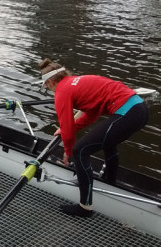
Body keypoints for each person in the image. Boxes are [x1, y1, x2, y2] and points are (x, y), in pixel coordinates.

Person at [38, 58, 149, 218]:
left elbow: (67, 127)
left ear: (49, 82)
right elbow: (91, 113)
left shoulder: (62, 90)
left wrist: (67, 151)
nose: (49, 90)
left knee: (80, 150)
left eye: (47, 87)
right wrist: (69, 129)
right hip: (140, 109)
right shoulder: (77, 81)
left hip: (128, 113)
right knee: (108, 141)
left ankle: (85, 207)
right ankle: (110, 180)